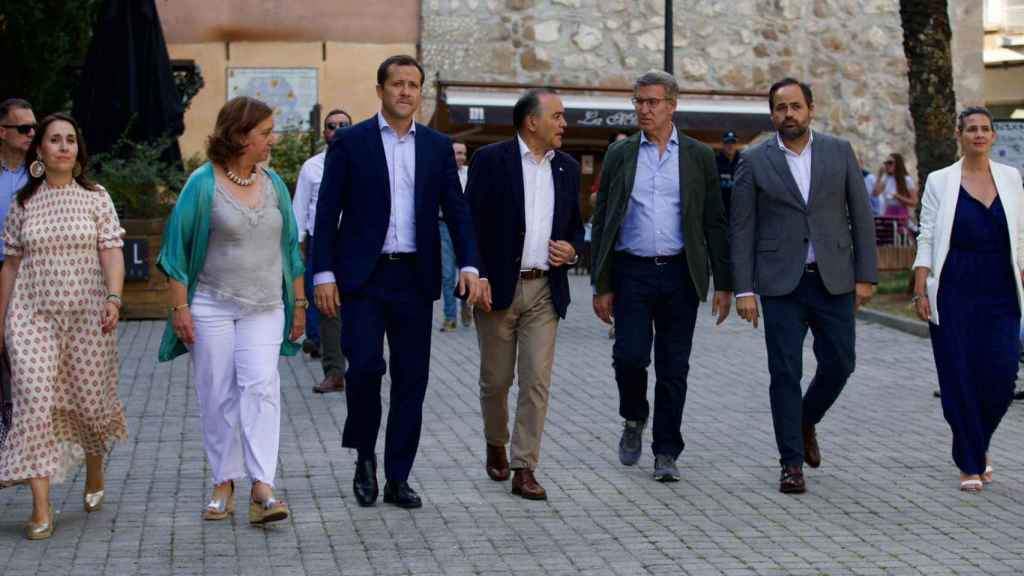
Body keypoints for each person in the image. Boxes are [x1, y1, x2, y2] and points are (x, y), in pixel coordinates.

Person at [312, 55, 481, 509]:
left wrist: (469, 264)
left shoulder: (436, 146)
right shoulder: (350, 142)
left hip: (414, 276)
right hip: (363, 278)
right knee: (364, 369)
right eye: (397, 84)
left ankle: (398, 476)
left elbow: (457, 210)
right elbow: (327, 212)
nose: (406, 91)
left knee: (412, 380)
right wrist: (323, 272)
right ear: (380, 89)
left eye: (413, 84)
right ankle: (364, 456)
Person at [158, 96, 305, 524]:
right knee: (217, 393)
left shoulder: (275, 182)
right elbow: (174, 250)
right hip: (210, 306)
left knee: (261, 387)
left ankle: (263, 486)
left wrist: (298, 304)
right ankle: (224, 479)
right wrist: (180, 308)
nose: (272, 139)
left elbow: (291, 247)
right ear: (241, 136)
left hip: (265, 307)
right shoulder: (202, 184)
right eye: (265, 132)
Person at [731, 78, 878, 494]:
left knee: (841, 363)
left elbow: (861, 216)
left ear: (810, 109)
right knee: (784, 373)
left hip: (834, 279)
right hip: (781, 285)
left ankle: (805, 417)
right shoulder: (754, 160)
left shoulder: (839, 151)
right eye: (780, 107)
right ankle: (790, 463)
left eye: (795, 106)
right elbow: (742, 229)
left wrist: (866, 275)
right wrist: (744, 289)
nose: (788, 114)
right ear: (772, 113)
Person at [590, 70, 733, 482]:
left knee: (674, 368)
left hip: (679, 274)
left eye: (652, 102)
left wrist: (724, 282)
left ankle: (667, 450)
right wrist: (602, 283)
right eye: (638, 102)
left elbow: (714, 222)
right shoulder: (620, 155)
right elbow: (603, 222)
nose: (644, 109)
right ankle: (634, 417)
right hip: (631, 271)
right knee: (629, 356)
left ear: (672, 105)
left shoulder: (698, 156)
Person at [0, 113, 127, 539]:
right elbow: (11, 264)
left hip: (89, 318)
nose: (63, 146)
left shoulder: (96, 197)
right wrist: (1, 322)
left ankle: (94, 466)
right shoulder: (23, 203)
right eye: (54, 139)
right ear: (40, 151)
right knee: (34, 404)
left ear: (78, 149)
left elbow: (111, 251)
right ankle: (40, 509)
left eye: (70, 139)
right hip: (32, 317)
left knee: (90, 403)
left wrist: (113, 298)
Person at [466, 88, 584, 500]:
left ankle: (524, 466)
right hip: (497, 288)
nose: (564, 124)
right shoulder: (490, 160)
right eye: (557, 116)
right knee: (496, 381)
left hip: (544, 290)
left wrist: (572, 249)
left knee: (536, 380)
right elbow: (469, 223)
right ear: (531, 121)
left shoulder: (567, 167)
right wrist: (475, 274)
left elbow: (575, 227)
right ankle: (495, 440)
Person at [912, 107, 1024, 492]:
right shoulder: (940, 181)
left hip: (1001, 290)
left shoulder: (1011, 178)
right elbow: (926, 233)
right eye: (971, 129)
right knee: (959, 377)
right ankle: (970, 462)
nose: (978, 134)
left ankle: (977, 443)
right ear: (959, 135)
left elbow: (1021, 235)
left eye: (985, 129)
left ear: (994, 137)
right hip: (954, 287)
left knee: (1002, 376)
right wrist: (920, 285)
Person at [293, 109, 352, 393]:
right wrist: (299, 245)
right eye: (332, 125)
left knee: (358, 306)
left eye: (344, 125)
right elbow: (300, 209)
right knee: (327, 306)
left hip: (357, 242)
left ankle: (361, 366)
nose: (337, 129)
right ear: (324, 132)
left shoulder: (364, 162)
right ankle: (334, 371)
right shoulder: (312, 167)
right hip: (322, 241)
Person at [0, 99, 36, 269]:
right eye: (24, 129)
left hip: (31, 268)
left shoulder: (43, 173)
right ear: (2, 132)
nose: (32, 133)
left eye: (35, 127)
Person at [440, 140, 471, 331]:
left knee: (467, 272)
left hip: (467, 228)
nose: (460, 157)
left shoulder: (471, 174)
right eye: (456, 153)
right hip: (444, 228)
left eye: (463, 153)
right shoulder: (440, 173)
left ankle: (466, 305)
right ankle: (450, 317)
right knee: (447, 275)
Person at [873, 152, 918, 221]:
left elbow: (914, 202)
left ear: (898, 164)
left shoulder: (906, 180)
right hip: (888, 211)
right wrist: (879, 176)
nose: (888, 165)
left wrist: (898, 197)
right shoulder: (886, 178)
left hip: (901, 212)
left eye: (890, 163)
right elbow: (875, 193)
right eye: (886, 163)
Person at [715, 130, 740, 217]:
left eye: (733, 142)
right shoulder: (715, 162)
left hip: (739, 212)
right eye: (727, 143)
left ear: (736, 144)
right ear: (723, 144)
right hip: (720, 212)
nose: (730, 146)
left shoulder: (744, 161)